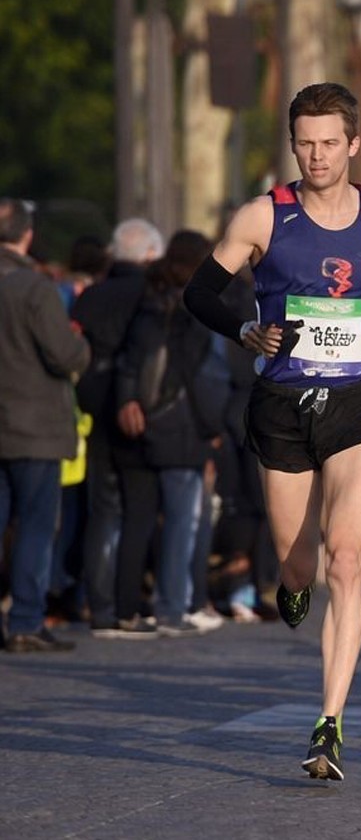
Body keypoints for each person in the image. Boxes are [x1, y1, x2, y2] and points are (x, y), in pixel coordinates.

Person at [182, 82, 361, 779]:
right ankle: (291, 579)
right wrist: (245, 328)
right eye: (305, 143)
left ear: (353, 145)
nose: (317, 155)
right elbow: (198, 292)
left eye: (329, 143)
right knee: (299, 561)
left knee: (346, 557)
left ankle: (329, 723)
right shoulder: (262, 218)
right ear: (293, 145)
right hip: (281, 403)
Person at [113, 229, 230, 636]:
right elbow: (208, 377)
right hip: (185, 426)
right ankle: (173, 605)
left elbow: (130, 362)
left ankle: (125, 604)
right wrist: (213, 425)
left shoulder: (149, 303)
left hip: (146, 421)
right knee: (185, 520)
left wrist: (129, 401)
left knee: (138, 519)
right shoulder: (197, 311)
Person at [0, 197, 90, 652]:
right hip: (33, 426)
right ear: (27, 235)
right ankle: (25, 621)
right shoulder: (33, 288)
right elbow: (65, 355)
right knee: (36, 526)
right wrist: (81, 347)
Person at [72, 218, 164, 637]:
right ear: (149, 254)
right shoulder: (151, 295)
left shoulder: (91, 295)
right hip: (137, 411)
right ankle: (127, 606)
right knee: (138, 511)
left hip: (94, 408)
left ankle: (99, 607)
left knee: (102, 512)